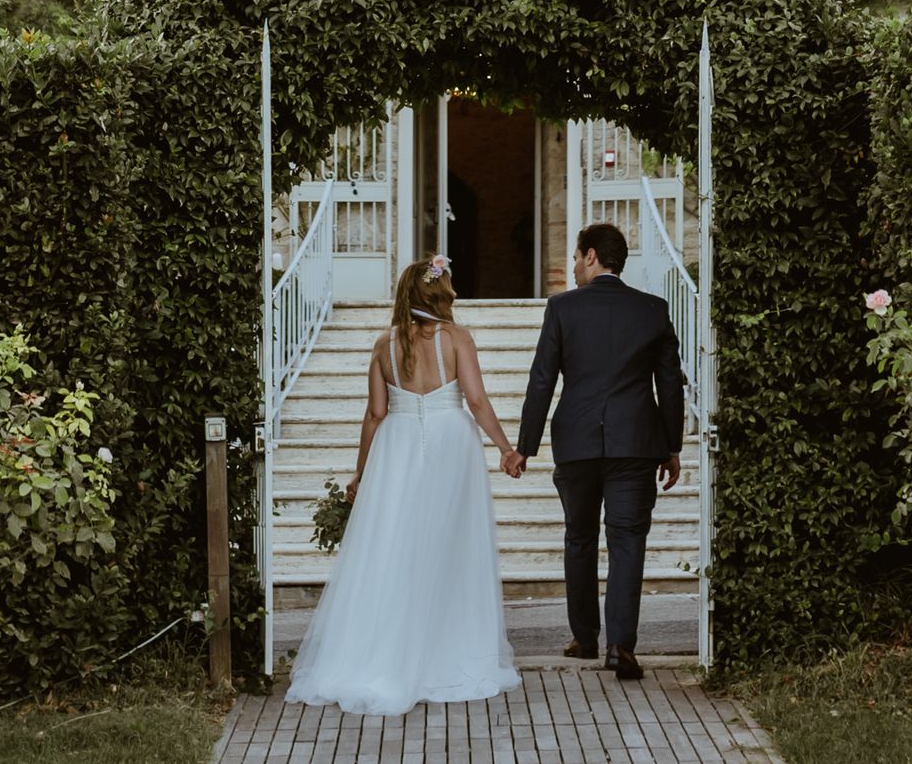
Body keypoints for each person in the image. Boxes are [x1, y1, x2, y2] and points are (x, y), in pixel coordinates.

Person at [282, 254, 522, 717]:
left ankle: (384, 651)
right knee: (452, 548)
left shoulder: (383, 345)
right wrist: (505, 449)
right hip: (451, 444)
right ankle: (446, 653)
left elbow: (375, 414)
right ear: (440, 292)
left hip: (397, 444)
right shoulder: (455, 338)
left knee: (395, 546)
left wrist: (361, 471)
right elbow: (475, 400)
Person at [510, 221, 687, 680]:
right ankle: (621, 647)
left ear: (591, 255)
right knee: (628, 541)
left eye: (574, 257)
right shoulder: (653, 310)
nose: (572, 267)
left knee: (580, 537)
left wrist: (524, 447)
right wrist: (672, 446)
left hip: (578, 442)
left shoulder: (563, 309)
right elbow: (669, 384)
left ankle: (585, 637)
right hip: (635, 444)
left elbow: (542, 379)